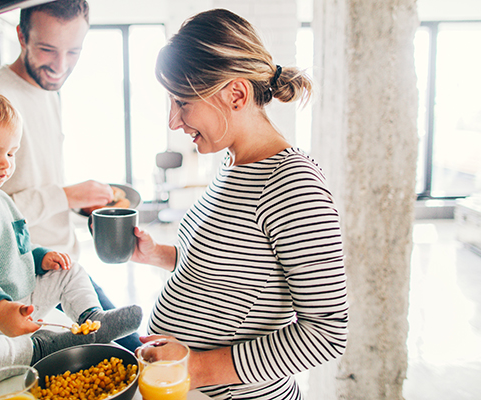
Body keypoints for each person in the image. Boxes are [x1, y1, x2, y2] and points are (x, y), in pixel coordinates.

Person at [131, 9, 349, 400]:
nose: (173, 121)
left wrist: (195, 368)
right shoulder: (233, 163)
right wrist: (158, 254)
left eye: (182, 102)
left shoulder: (293, 183)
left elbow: (327, 332)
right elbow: (231, 271)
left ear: (236, 94)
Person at [0, 0, 142, 350]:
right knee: (118, 355)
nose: (60, 66)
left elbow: (33, 180)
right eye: (47, 49)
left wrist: (79, 206)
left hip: (58, 261)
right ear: (21, 36)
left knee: (131, 350)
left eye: (73, 51)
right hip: (19, 281)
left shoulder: (47, 90)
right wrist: (66, 196)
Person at [0, 86, 142, 373]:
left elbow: (14, 245)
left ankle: (91, 319)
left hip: (14, 301)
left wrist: (39, 258)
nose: (5, 164)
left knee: (69, 269)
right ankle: (41, 347)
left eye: (11, 153)